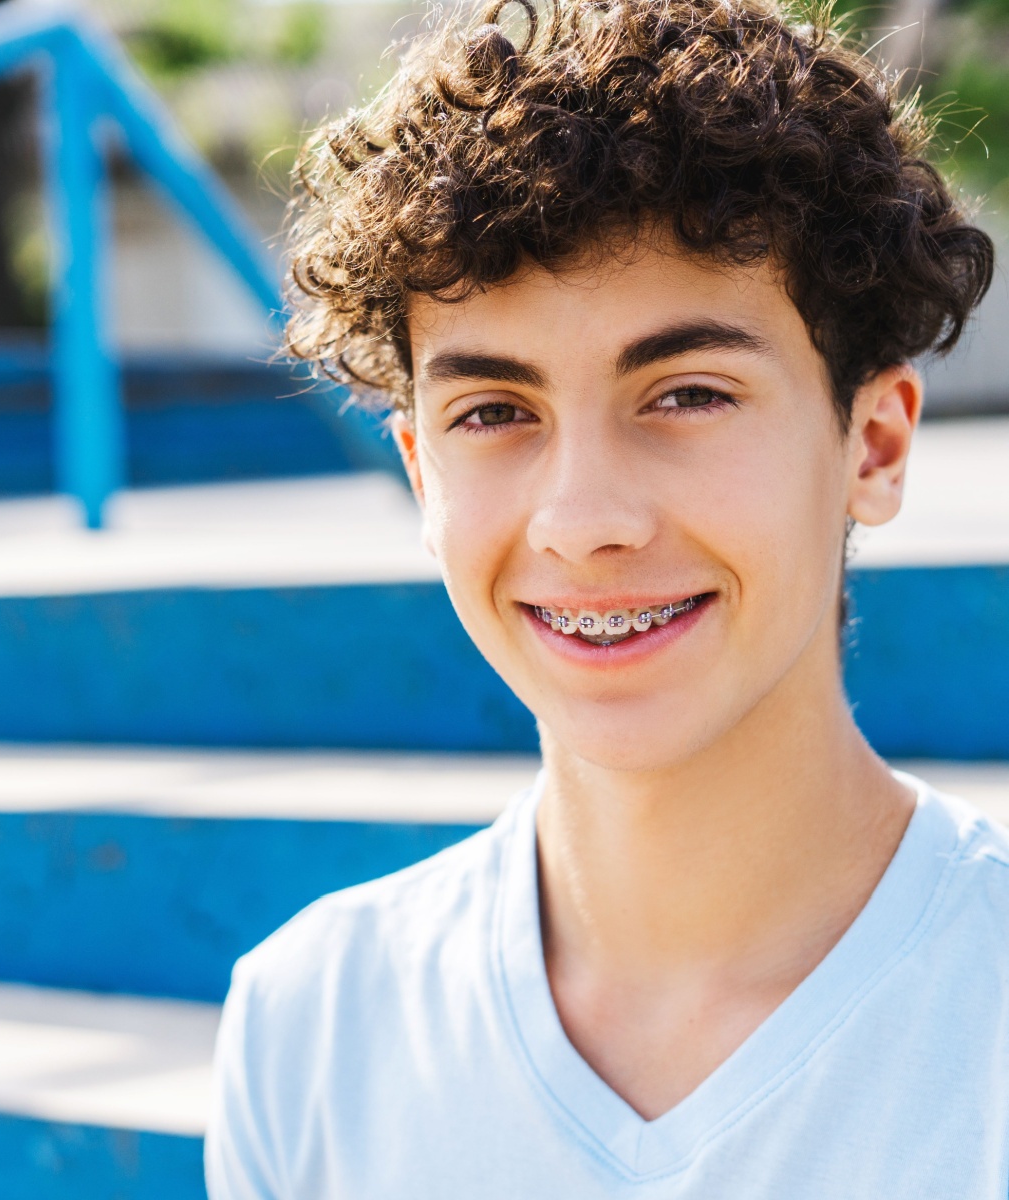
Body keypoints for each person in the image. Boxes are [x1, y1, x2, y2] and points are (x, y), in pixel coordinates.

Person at [206, 0, 1001, 1194]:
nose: (582, 522)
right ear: (424, 475)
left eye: (687, 394)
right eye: (494, 414)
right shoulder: (308, 1029)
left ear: (873, 447)